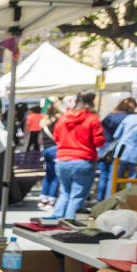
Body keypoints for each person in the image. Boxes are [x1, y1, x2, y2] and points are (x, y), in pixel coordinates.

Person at [49, 90, 105, 220]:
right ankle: (70, 225)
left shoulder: (64, 118)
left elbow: (56, 137)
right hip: (83, 160)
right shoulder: (92, 118)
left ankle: (54, 220)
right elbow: (99, 141)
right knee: (77, 196)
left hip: (63, 160)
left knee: (65, 193)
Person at [98, 97, 137, 200]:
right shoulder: (130, 118)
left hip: (104, 149)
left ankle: (100, 201)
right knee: (113, 178)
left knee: (103, 177)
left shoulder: (110, 115)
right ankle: (109, 201)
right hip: (118, 150)